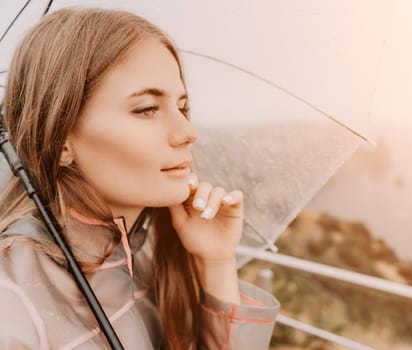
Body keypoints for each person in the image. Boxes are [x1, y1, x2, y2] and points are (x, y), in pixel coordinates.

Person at [0, 7, 279, 350]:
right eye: (146, 109)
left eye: (182, 106)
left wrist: (217, 262)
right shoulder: (11, 304)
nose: (187, 132)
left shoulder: (142, 258)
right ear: (61, 142)